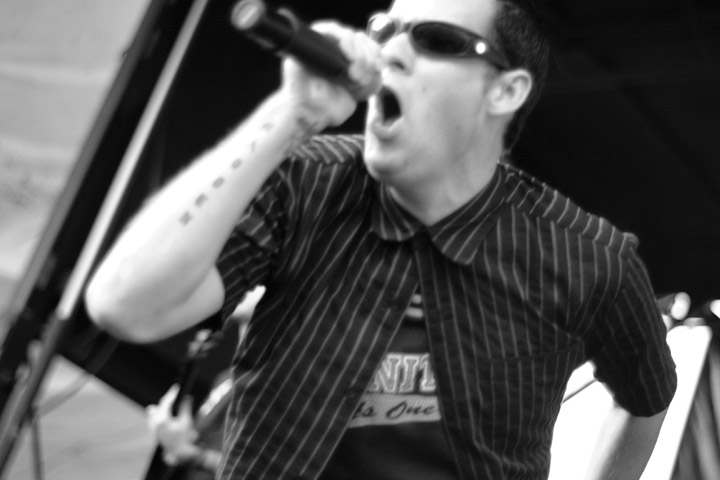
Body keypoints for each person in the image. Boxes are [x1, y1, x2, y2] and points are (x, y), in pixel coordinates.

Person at [84, 0, 677, 478]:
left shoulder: (587, 257)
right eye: (383, 30)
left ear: (504, 91)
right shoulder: (308, 180)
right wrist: (291, 113)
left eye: (436, 39)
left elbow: (646, 399)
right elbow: (124, 305)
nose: (390, 49)